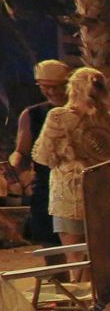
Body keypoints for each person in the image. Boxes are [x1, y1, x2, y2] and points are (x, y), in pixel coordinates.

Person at [33, 67, 110, 258]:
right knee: (101, 256)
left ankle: (80, 288)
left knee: (75, 258)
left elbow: (43, 156)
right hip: (104, 193)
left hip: (69, 194)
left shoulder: (59, 116)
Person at [9, 59, 71, 246]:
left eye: (57, 87)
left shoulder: (81, 111)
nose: (52, 92)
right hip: (46, 184)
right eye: (45, 87)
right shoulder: (32, 115)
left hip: (76, 181)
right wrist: (15, 167)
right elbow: (21, 151)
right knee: (49, 239)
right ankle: (56, 275)